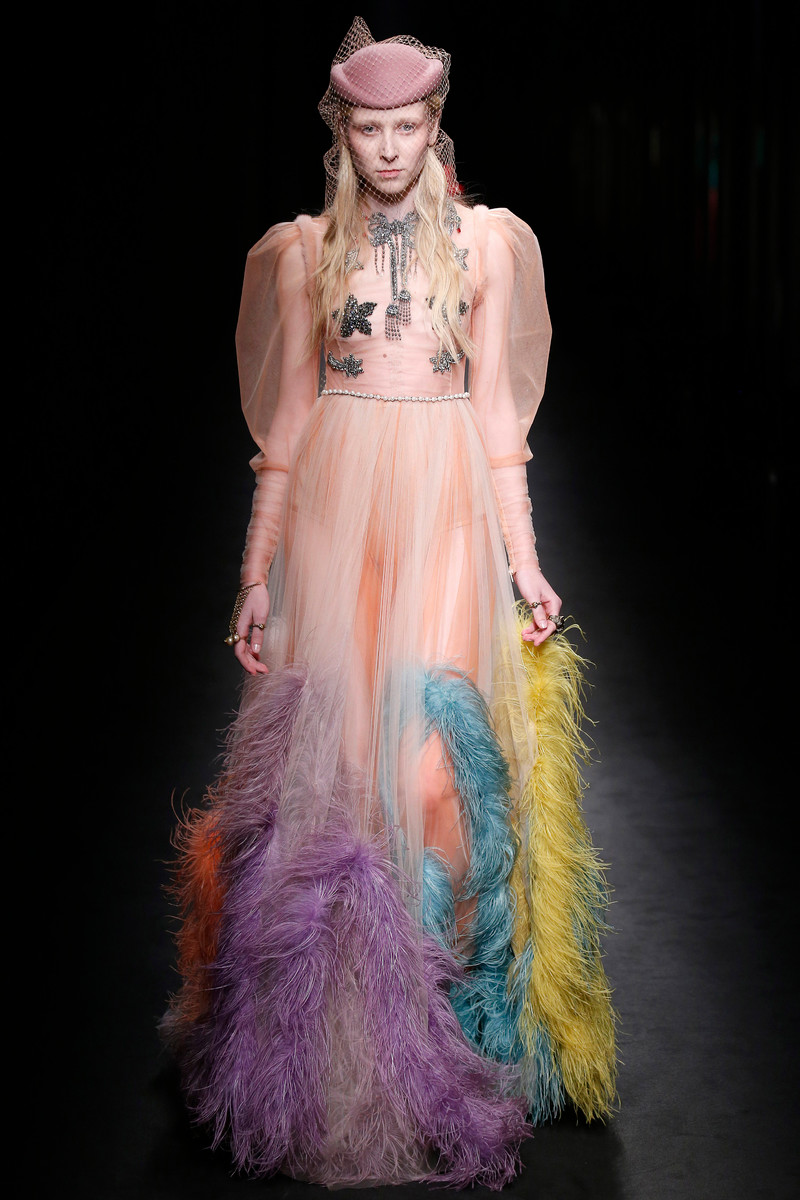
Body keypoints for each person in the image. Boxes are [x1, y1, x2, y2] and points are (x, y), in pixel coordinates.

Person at [162, 17, 616, 1189]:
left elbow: (499, 422)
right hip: (337, 518)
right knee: (344, 767)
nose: (388, 149)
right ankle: (346, 1045)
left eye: (407, 126)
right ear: (342, 133)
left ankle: (441, 1039)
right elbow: (286, 425)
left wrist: (523, 563)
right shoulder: (305, 252)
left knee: (433, 771)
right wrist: (255, 571)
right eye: (367, 129)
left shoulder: (483, 245)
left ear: (433, 125)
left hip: (445, 509)